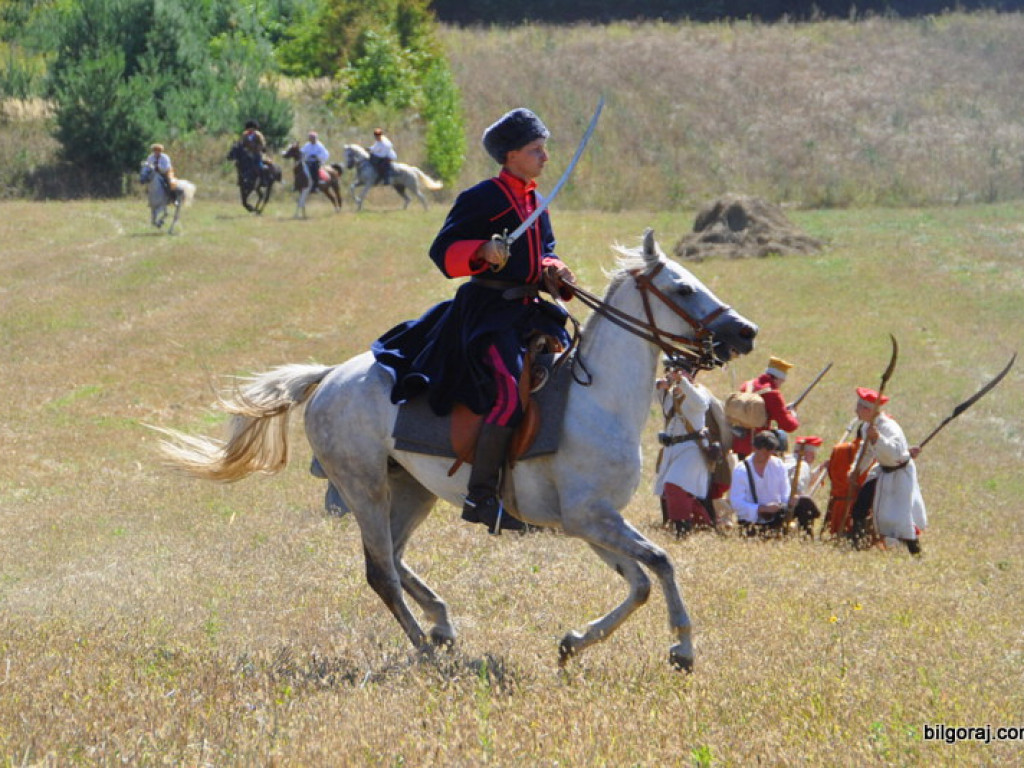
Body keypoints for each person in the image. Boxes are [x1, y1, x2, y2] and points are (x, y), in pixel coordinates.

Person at [372, 107, 575, 535]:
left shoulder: (536, 201)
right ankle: (482, 497)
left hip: (529, 310)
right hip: (487, 314)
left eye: (544, 149)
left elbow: (546, 250)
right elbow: (443, 251)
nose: (545, 157)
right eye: (536, 150)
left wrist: (554, 269)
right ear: (511, 155)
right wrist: (481, 250)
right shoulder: (480, 198)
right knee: (507, 390)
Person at [847, 387, 927, 555]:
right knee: (861, 505)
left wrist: (878, 438)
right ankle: (857, 543)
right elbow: (866, 452)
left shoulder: (890, 428)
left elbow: (896, 455)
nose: (856, 410)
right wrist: (856, 470)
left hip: (900, 474)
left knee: (900, 517)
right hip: (882, 472)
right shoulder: (865, 427)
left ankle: (916, 552)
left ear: (868, 410)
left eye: (859, 407)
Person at [652, 357, 717, 538]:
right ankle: (703, 525)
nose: (673, 375)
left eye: (679, 372)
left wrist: (683, 382)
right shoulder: (669, 393)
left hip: (692, 447)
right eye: (672, 372)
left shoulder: (698, 390)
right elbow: (644, 396)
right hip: (673, 447)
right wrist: (658, 386)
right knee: (672, 489)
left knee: (674, 485)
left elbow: (701, 404)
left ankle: (682, 529)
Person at [729, 356, 800, 459]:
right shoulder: (773, 393)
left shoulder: (747, 385)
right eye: (782, 381)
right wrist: (793, 415)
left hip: (738, 443)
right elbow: (788, 425)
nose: (781, 385)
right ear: (779, 378)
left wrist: (783, 409)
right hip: (758, 448)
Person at [729, 430, 790, 535]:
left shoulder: (779, 465)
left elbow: (785, 494)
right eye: (764, 451)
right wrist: (762, 509)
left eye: (770, 451)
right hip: (750, 523)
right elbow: (737, 503)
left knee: (805, 503)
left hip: (776, 518)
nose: (767, 455)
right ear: (754, 449)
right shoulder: (741, 470)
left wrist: (785, 504)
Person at [782, 435, 824, 536]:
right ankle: (806, 535)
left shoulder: (785, 460)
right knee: (806, 504)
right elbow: (796, 485)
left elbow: (808, 480)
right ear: (807, 453)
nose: (814, 458)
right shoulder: (803, 465)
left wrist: (820, 469)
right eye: (813, 454)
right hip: (788, 503)